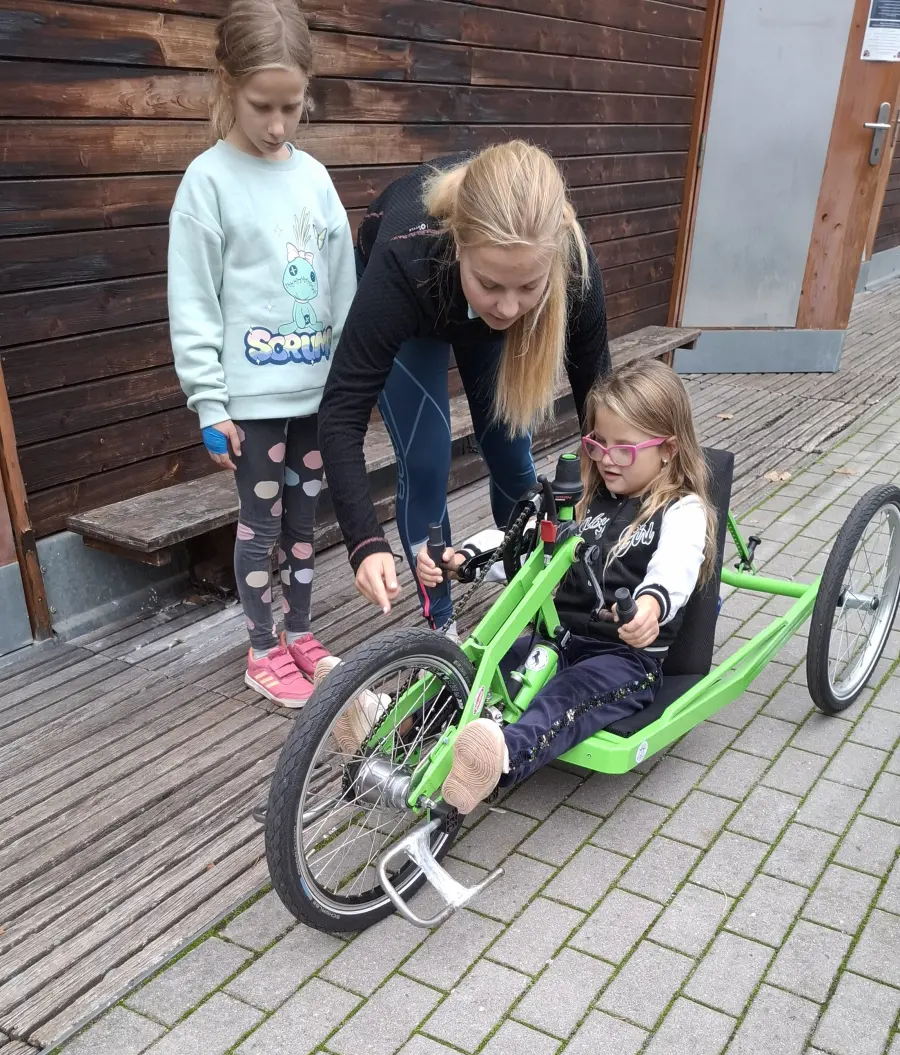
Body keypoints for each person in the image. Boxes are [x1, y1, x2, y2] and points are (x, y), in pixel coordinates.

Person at [316, 140, 611, 632]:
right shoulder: (405, 259)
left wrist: (616, 510)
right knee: (426, 459)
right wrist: (365, 542)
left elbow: (600, 406)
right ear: (458, 244)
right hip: (420, 300)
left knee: (511, 450)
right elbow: (341, 410)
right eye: (491, 284)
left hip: (465, 296)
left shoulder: (572, 261)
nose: (509, 308)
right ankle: (442, 628)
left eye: (529, 286)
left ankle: (527, 589)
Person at [417, 359, 717, 811]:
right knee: (475, 669)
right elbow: (522, 544)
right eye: (598, 444)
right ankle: (391, 721)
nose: (606, 459)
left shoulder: (681, 511)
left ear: (668, 449)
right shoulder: (582, 501)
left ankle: (499, 757)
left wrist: (650, 608)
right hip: (558, 639)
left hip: (624, 658)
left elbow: (675, 568)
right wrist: (465, 559)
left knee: (568, 694)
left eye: (624, 449)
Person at [167, 0, 355, 708]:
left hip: (316, 396)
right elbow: (194, 301)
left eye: (291, 107)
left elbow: (343, 286)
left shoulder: (314, 179)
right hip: (251, 403)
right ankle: (262, 646)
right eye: (262, 107)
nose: (278, 125)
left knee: (307, 521)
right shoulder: (207, 182)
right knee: (260, 522)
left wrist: (350, 384)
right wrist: (209, 403)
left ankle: (299, 632)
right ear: (227, 83)